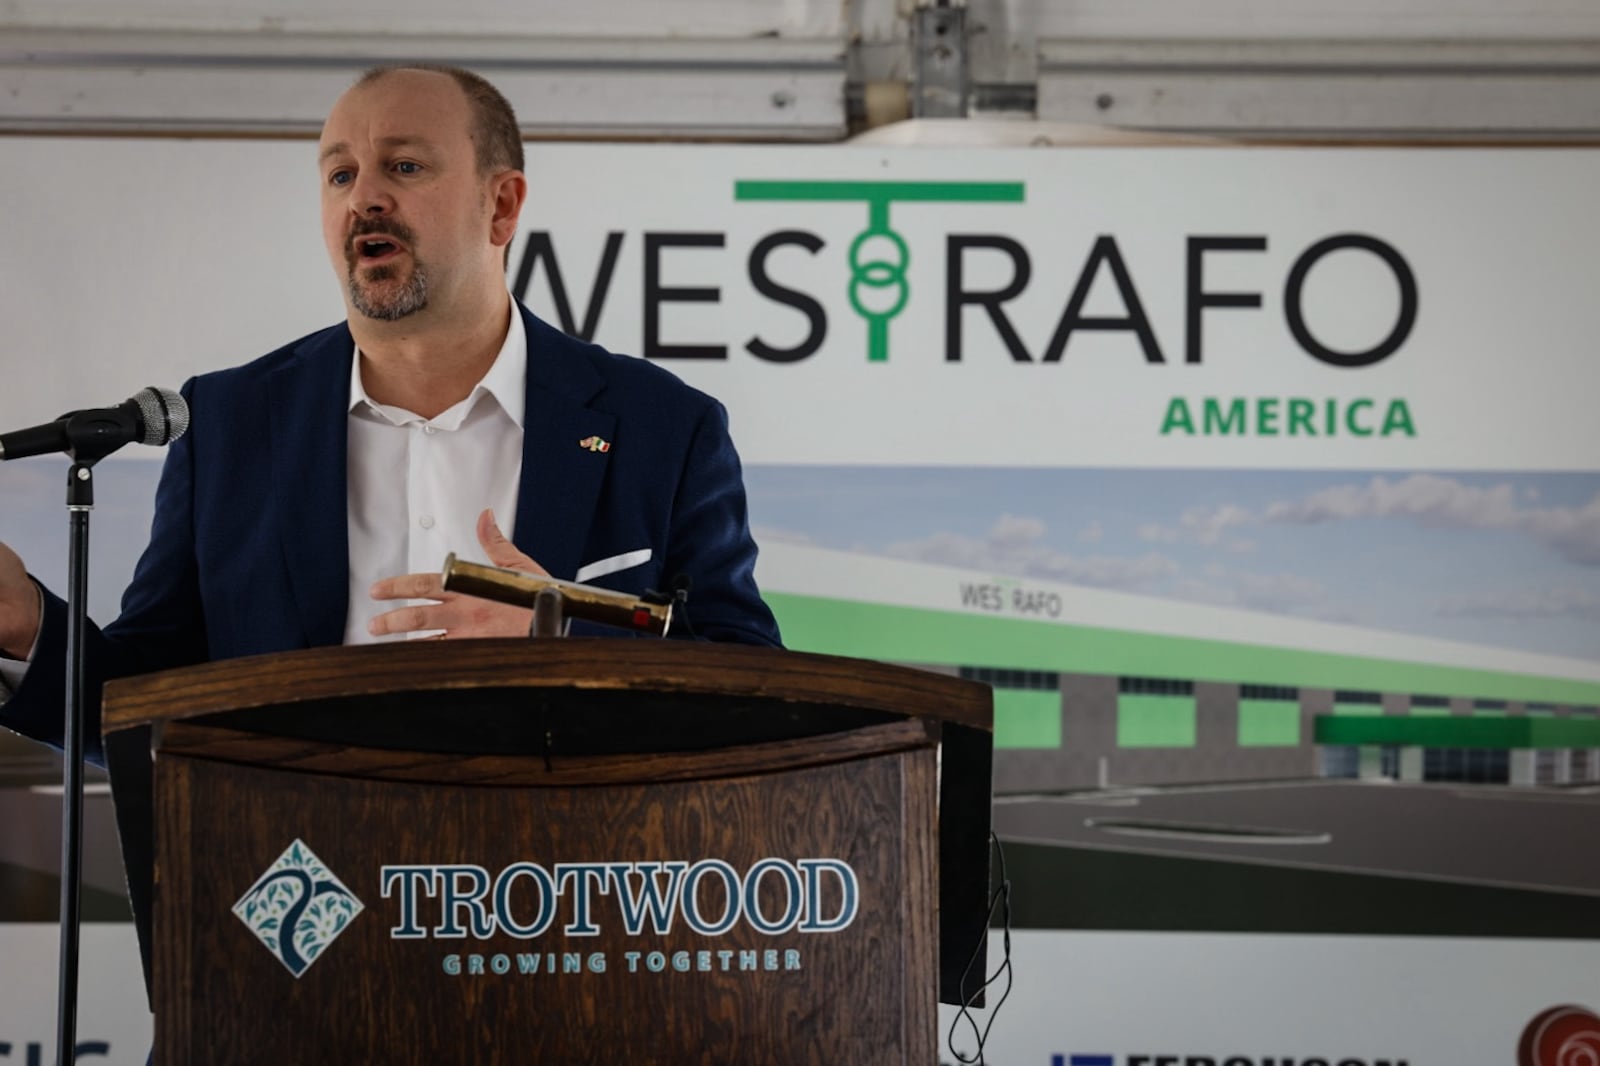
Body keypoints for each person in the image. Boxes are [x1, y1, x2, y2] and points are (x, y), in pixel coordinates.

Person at [0, 64, 781, 763]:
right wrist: (30, 628)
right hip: (300, 892)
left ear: (501, 205)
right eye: (340, 175)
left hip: (563, 893)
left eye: (403, 166)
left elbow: (753, 685)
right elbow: (148, 702)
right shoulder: (229, 423)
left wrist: (563, 638)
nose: (365, 197)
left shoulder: (663, 427)